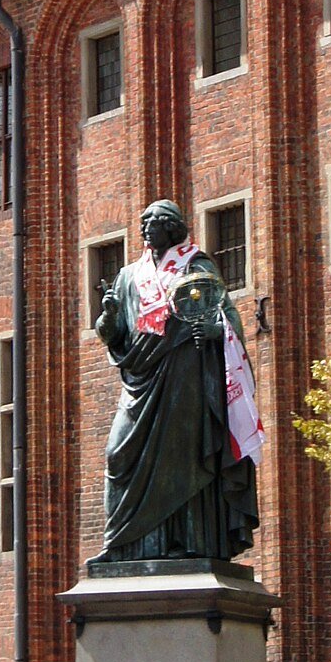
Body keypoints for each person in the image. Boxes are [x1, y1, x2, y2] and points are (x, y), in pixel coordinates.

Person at [94, 199, 262, 561]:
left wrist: (213, 330)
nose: (145, 229)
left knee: (182, 460)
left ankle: (188, 543)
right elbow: (112, 334)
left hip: (185, 378)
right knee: (117, 455)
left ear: (171, 228)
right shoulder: (128, 276)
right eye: (143, 223)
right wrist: (108, 314)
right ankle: (123, 545)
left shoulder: (196, 267)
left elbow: (227, 318)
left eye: (153, 223)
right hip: (141, 380)